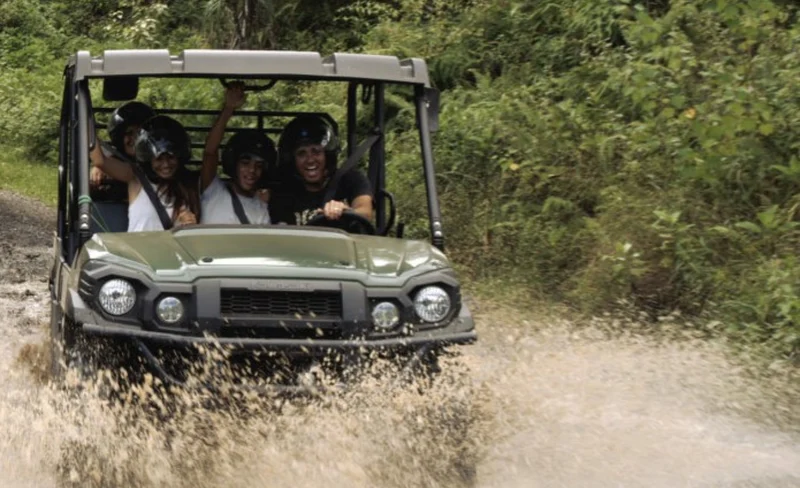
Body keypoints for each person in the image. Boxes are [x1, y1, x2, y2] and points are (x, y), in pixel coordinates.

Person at [91, 115, 199, 231]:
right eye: (159, 159)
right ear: (149, 159)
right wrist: (85, 114)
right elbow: (100, 161)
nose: (166, 164)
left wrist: (188, 224)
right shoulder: (137, 178)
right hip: (138, 249)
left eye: (171, 157)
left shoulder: (187, 189)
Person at [271, 115, 373, 226]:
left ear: (327, 155)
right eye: (301, 153)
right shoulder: (284, 192)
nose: (310, 160)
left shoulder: (351, 180)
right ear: (293, 160)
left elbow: (366, 212)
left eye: (316, 151)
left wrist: (345, 210)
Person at [199, 83, 274, 225]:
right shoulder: (213, 190)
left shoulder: (261, 208)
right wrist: (228, 108)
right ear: (234, 163)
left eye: (258, 165)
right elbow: (210, 151)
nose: (252, 170)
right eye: (245, 163)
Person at [90, 101, 155, 195]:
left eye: (140, 133)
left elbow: (101, 161)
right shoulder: (111, 159)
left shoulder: (156, 165)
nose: (135, 138)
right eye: (129, 133)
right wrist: (100, 169)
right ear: (119, 138)